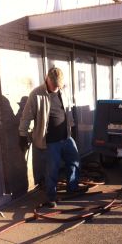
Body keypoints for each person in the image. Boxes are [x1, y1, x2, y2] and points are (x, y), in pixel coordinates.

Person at [19, 67, 88, 208]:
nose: (56, 88)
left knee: (74, 161)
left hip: (66, 137)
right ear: (47, 79)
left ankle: (72, 187)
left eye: (59, 86)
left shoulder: (63, 91)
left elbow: (68, 112)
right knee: (52, 170)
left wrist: (72, 127)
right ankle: (51, 196)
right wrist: (22, 135)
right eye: (54, 85)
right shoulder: (36, 95)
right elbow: (26, 117)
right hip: (50, 142)